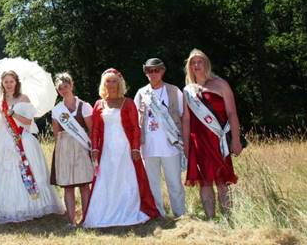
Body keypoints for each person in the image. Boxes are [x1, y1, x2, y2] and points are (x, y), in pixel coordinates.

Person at [82, 68, 159, 228]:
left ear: (120, 83)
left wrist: (136, 148)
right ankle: (104, 213)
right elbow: (95, 129)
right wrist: (95, 149)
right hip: (107, 150)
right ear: (104, 84)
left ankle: (128, 211)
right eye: (108, 81)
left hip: (125, 148)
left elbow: (135, 128)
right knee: (107, 178)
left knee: (126, 178)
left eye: (114, 81)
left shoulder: (128, 102)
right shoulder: (98, 104)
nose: (111, 84)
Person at [0, 70, 64, 223]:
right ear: (2, 83)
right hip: (3, 141)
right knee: (3, 172)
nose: (8, 84)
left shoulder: (24, 98)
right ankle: (5, 207)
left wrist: (13, 113)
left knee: (28, 170)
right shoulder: (1, 101)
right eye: (6, 81)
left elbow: (29, 122)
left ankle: (31, 205)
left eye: (11, 81)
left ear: (16, 83)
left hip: (22, 139)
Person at [182, 49, 242, 218]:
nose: (196, 65)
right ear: (189, 67)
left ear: (206, 64)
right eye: (193, 63)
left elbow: (232, 113)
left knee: (222, 181)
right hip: (198, 142)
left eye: (200, 61)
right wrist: (187, 146)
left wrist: (235, 140)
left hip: (219, 140)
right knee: (205, 182)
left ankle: (228, 218)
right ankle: (211, 220)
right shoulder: (188, 90)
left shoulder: (220, 84)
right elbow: (186, 120)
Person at [133, 57, 186, 218]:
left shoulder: (174, 91)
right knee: (152, 183)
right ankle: (158, 215)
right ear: (145, 73)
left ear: (163, 71)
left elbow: (183, 117)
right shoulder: (141, 93)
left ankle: (180, 214)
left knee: (174, 183)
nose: (153, 73)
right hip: (148, 146)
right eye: (149, 71)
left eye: (156, 70)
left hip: (171, 145)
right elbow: (136, 121)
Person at [50, 73, 93, 228]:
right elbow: (56, 133)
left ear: (72, 85)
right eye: (60, 88)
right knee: (68, 186)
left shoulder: (85, 106)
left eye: (65, 87)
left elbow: (92, 129)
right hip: (65, 148)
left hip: (82, 147)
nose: (63, 90)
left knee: (83, 185)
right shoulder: (57, 110)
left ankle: (86, 219)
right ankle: (72, 220)